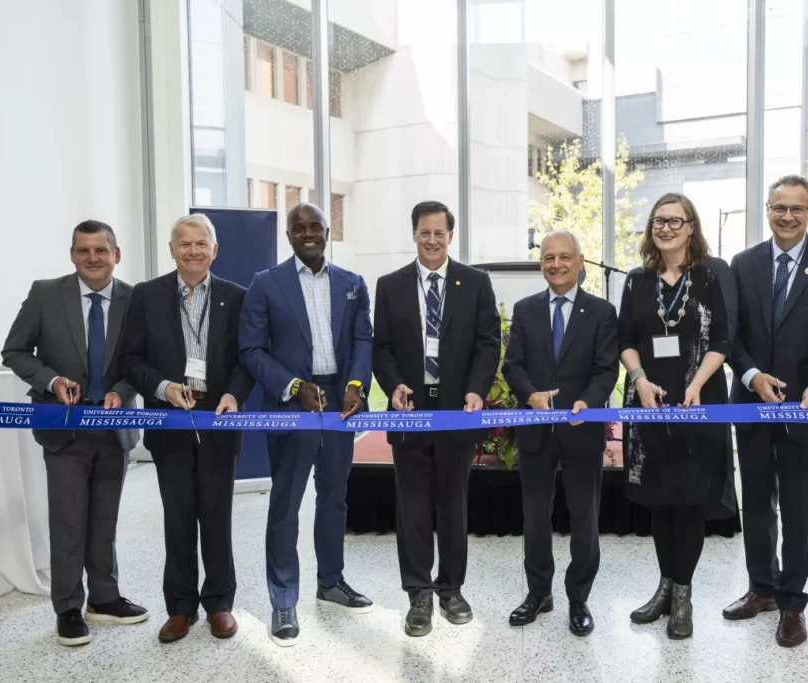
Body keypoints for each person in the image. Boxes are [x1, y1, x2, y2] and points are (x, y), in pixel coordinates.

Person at [1, 220, 148, 647]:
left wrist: (122, 391)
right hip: (63, 428)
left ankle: (104, 598)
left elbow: (140, 359)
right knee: (68, 521)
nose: (93, 258)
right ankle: (67, 606)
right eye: (83, 251)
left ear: (116, 255)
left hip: (114, 429)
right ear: (72, 255)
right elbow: (14, 351)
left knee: (105, 519)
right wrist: (51, 381)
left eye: (101, 250)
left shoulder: (134, 299)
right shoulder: (46, 294)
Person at [723, 175, 808, 647]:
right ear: (767, 209)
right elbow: (730, 336)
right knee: (757, 503)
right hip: (751, 406)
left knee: (799, 509)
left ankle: (793, 603)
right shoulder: (743, 264)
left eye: (797, 209)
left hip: (806, 410)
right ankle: (762, 588)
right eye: (779, 207)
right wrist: (751, 375)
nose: (787, 216)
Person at [239, 203, 372, 647]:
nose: (309, 233)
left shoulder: (352, 283)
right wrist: (294, 386)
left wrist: (355, 384)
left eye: (316, 226)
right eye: (300, 228)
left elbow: (362, 340)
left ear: (328, 231)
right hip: (293, 404)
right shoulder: (265, 284)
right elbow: (252, 350)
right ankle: (283, 599)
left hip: (340, 404)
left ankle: (330, 582)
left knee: (334, 498)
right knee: (286, 506)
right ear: (290, 236)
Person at [120, 214, 254, 643]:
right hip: (170, 425)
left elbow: (245, 360)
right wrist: (162, 387)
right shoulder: (146, 296)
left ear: (214, 250)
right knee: (178, 519)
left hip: (219, 423)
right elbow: (131, 360)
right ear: (172, 249)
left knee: (216, 518)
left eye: (202, 244)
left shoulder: (237, 297)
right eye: (184, 243)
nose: (193, 251)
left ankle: (219, 603)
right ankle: (180, 607)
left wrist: (233, 395)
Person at [372, 201, 500, 637]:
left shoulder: (476, 283)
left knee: (453, 503)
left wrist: (476, 389)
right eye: (424, 233)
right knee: (411, 507)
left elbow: (488, 344)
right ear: (413, 234)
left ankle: (451, 589)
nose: (431, 240)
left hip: (456, 412)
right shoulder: (389, 286)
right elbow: (382, 348)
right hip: (409, 411)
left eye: (439, 234)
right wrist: (393, 386)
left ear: (450, 236)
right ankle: (418, 594)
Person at [618, 193, 731, 640]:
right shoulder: (635, 281)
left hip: (696, 402)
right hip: (648, 402)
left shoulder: (710, 276)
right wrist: (639, 378)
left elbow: (723, 339)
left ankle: (683, 596)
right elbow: (625, 339)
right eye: (658, 221)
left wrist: (696, 384)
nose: (665, 228)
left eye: (674, 221)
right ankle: (664, 587)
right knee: (659, 500)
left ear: (690, 228)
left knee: (687, 502)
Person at [501, 231, 619, 637]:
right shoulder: (525, 309)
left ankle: (579, 598)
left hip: (581, 431)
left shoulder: (601, 312)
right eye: (549, 257)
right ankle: (538, 594)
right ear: (541, 264)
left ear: (580, 262)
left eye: (564, 257)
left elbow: (607, 369)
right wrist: (529, 394)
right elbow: (511, 365)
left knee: (584, 518)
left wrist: (588, 401)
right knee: (535, 517)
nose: (556, 264)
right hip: (534, 433)